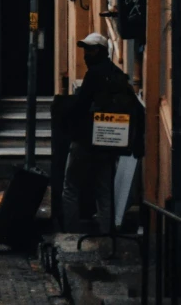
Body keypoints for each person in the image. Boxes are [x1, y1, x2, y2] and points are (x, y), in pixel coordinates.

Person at [60, 32, 144, 239]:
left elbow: (80, 106)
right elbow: (136, 108)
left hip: (85, 141)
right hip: (109, 143)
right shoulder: (118, 74)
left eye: (90, 49)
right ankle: (107, 232)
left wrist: (67, 120)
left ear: (101, 51)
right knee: (104, 189)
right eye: (85, 49)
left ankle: (69, 234)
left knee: (71, 186)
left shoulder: (94, 75)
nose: (86, 54)